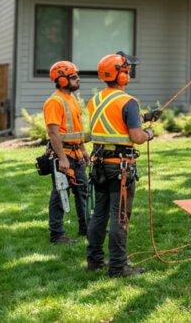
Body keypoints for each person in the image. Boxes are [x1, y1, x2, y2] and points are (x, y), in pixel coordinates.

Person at [85, 51, 157, 278]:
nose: (129, 74)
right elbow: (136, 137)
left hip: (99, 164)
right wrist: (149, 132)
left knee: (100, 214)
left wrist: (144, 116)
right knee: (120, 216)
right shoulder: (128, 101)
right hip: (120, 167)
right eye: (127, 71)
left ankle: (95, 260)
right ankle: (118, 267)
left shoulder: (96, 100)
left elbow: (113, 122)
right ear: (121, 76)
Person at [42, 60, 89, 244]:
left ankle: (86, 228)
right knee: (61, 193)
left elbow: (76, 128)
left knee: (82, 190)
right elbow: (53, 133)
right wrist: (62, 158)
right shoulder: (54, 102)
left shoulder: (72, 99)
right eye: (73, 77)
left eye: (77, 76)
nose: (78, 80)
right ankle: (57, 235)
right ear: (61, 80)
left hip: (76, 152)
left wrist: (83, 148)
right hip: (63, 154)